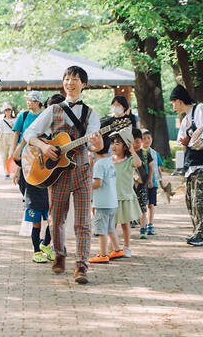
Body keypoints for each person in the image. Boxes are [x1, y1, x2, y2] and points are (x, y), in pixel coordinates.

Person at [23, 66, 104, 284]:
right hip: (57, 173)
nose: (70, 82)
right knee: (56, 218)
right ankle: (59, 255)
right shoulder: (53, 110)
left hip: (82, 172)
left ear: (83, 84)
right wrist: (43, 146)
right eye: (67, 79)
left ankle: (82, 265)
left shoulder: (91, 113)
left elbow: (96, 144)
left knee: (83, 222)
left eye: (75, 79)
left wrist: (97, 143)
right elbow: (28, 133)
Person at [170, 84, 203, 246]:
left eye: (173, 103)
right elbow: (184, 144)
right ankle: (200, 232)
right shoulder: (185, 119)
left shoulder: (200, 109)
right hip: (192, 164)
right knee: (191, 200)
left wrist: (201, 127)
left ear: (179, 101)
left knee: (201, 199)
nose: (172, 107)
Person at [10, 91, 54, 264]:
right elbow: (18, 150)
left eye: (32, 101)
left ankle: (46, 244)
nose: (29, 103)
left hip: (48, 182)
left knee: (52, 218)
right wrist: (17, 167)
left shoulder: (50, 139)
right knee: (36, 220)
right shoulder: (24, 118)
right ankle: (36, 250)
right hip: (32, 182)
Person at [88, 134, 123, 263]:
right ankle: (117, 249)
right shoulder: (109, 161)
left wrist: (85, 185)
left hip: (102, 204)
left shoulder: (99, 164)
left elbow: (98, 183)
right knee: (110, 229)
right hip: (112, 202)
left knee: (101, 230)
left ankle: (102, 254)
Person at [109, 129, 142, 258]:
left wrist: (132, 150)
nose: (114, 146)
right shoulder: (109, 160)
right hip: (112, 197)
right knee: (112, 224)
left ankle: (127, 247)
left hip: (125, 196)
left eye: (118, 143)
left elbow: (138, 163)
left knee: (125, 223)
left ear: (125, 146)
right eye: (113, 143)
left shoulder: (129, 161)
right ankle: (113, 246)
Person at [131, 128, 153, 239]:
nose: (135, 144)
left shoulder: (145, 153)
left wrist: (150, 179)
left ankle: (143, 228)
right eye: (133, 141)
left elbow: (150, 167)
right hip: (130, 186)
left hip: (142, 185)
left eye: (138, 141)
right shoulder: (127, 154)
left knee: (143, 207)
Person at [141, 129, 163, 235]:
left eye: (148, 138)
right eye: (144, 138)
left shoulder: (155, 153)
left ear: (152, 139)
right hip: (141, 183)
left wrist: (161, 182)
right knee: (142, 205)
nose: (146, 140)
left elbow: (158, 169)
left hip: (153, 183)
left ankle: (150, 224)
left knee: (151, 204)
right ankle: (143, 224)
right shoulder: (138, 153)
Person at [0, 104, 16, 178]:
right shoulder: (1, 121)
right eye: (6, 110)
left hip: (12, 137)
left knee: (11, 154)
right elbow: (0, 132)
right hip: (4, 137)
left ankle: (10, 170)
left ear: (11, 111)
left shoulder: (15, 120)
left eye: (9, 110)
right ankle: (6, 171)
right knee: (4, 155)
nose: (8, 111)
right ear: (4, 112)